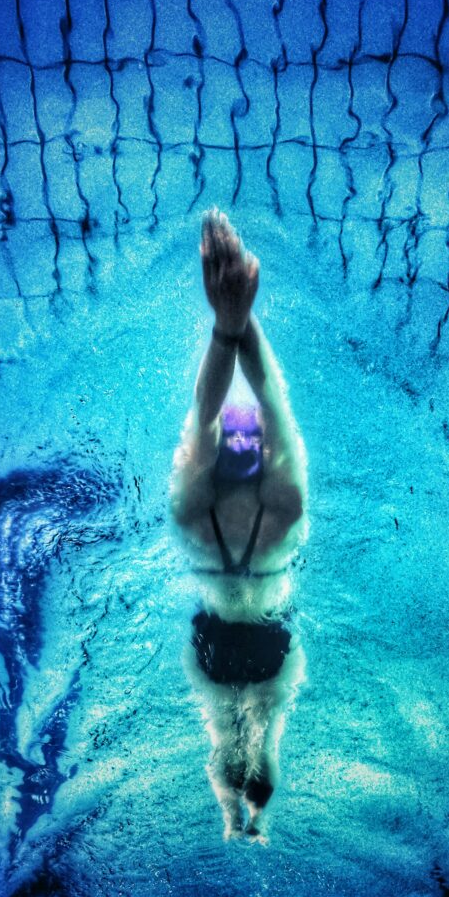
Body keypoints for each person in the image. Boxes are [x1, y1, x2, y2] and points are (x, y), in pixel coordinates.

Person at [170, 208, 308, 842]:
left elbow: (202, 415)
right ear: (263, 463)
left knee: (222, 732)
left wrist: (224, 329)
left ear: (217, 460)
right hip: (270, 637)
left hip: (213, 640)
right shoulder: (284, 512)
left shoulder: (192, 514)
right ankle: (258, 816)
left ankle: (230, 817)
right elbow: (274, 397)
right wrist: (241, 322)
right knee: (266, 736)